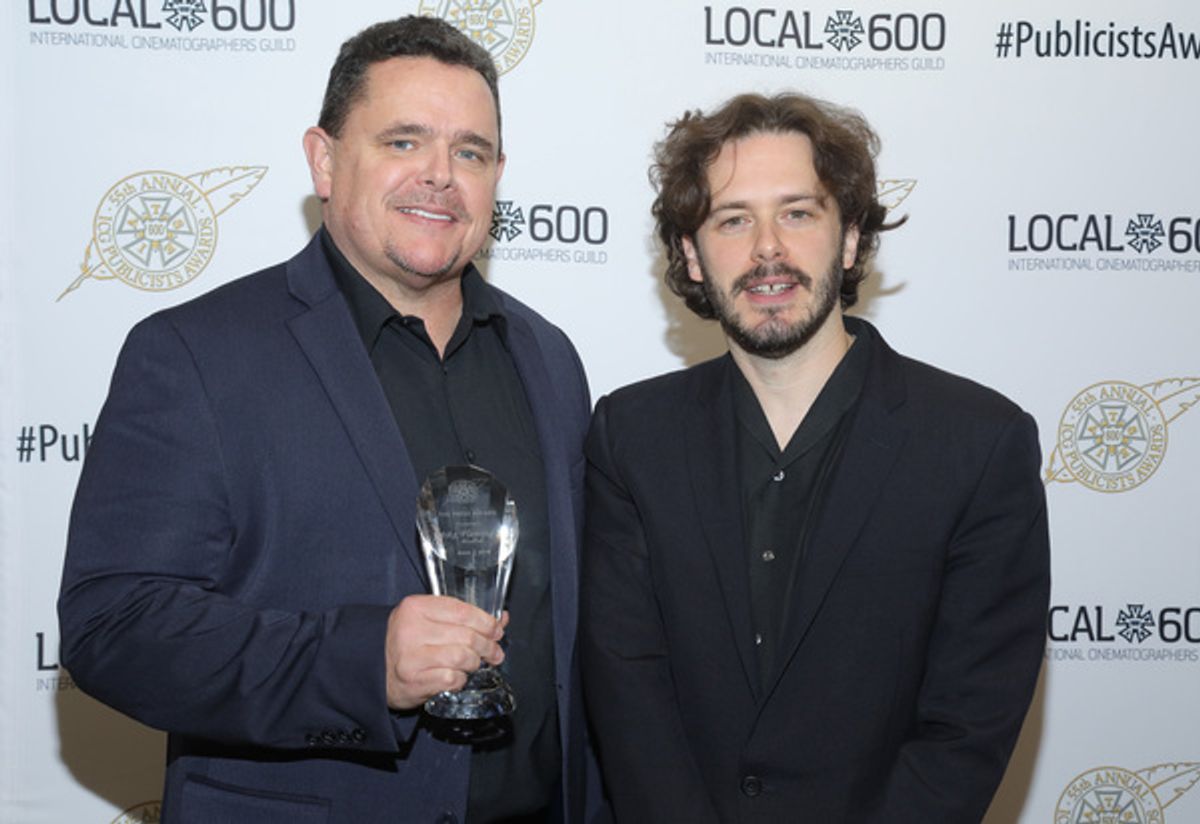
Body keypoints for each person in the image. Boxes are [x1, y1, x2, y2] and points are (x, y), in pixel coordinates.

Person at [58, 16, 598, 824]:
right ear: (324, 158)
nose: (441, 177)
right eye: (403, 142)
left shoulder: (548, 358)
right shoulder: (196, 354)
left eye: (470, 152)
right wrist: (360, 661)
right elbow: (115, 626)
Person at [581, 92, 1050, 823]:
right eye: (733, 220)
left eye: (798, 213)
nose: (768, 248)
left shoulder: (980, 445)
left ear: (852, 238)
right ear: (690, 257)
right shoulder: (629, 437)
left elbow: (966, 728)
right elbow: (628, 696)